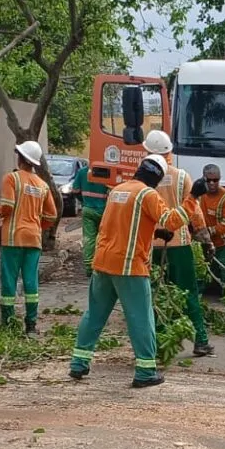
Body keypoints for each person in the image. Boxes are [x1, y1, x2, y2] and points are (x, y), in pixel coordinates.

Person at [69, 154, 188, 388]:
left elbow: (120, 225)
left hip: (103, 262)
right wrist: (194, 198)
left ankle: (78, 363)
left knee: (95, 314)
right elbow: (172, 220)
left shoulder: (117, 191)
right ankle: (145, 372)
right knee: (141, 318)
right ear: (156, 177)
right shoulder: (147, 194)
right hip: (129, 266)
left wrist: (153, 233)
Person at [143, 130, 215, 358]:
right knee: (188, 293)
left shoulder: (143, 178)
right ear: (169, 152)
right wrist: (206, 240)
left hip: (151, 245)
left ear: (147, 152)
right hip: (180, 245)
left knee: (156, 294)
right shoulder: (182, 177)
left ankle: (160, 343)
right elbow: (194, 212)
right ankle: (200, 340)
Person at [0, 141, 58, 332]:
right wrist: (38, 226)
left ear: (20, 158)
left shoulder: (11, 179)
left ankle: (8, 323)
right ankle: (31, 325)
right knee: (31, 282)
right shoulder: (42, 185)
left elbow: (7, 206)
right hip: (34, 239)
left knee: (9, 281)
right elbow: (52, 215)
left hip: (13, 238)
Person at [193, 164, 225, 288]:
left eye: (216, 180)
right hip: (207, 242)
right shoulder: (199, 195)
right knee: (201, 275)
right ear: (203, 179)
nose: (212, 183)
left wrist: (209, 231)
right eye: (209, 180)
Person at [72, 160, 112, 275]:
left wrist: (83, 201)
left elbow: (75, 190)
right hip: (103, 211)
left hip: (88, 209)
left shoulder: (82, 172)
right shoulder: (107, 172)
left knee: (89, 238)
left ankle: (89, 266)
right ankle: (101, 264)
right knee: (102, 238)